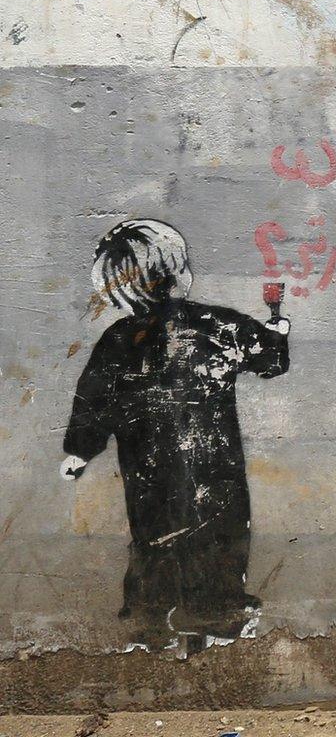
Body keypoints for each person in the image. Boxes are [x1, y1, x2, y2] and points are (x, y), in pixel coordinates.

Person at [61, 219, 290, 643]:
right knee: (221, 540)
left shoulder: (117, 340)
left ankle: (147, 624)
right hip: (214, 466)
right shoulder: (218, 326)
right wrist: (277, 333)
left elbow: (94, 401)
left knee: (151, 542)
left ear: (119, 288)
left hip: (148, 472)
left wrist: (79, 451)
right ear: (179, 272)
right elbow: (268, 362)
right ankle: (217, 617)